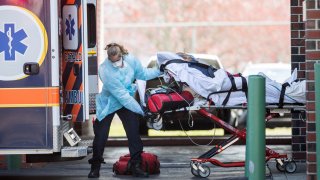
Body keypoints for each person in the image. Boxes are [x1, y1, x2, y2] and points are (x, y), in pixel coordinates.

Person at [88, 43, 161, 178]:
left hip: (126, 102)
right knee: (101, 135)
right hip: (109, 102)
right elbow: (122, 96)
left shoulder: (131, 60)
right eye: (112, 61)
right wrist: (140, 110)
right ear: (109, 58)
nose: (115, 63)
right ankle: (95, 168)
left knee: (133, 132)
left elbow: (143, 73)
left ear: (121, 55)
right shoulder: (104, 69)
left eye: (117, 60)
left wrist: (159, 70)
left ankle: (136, 166)